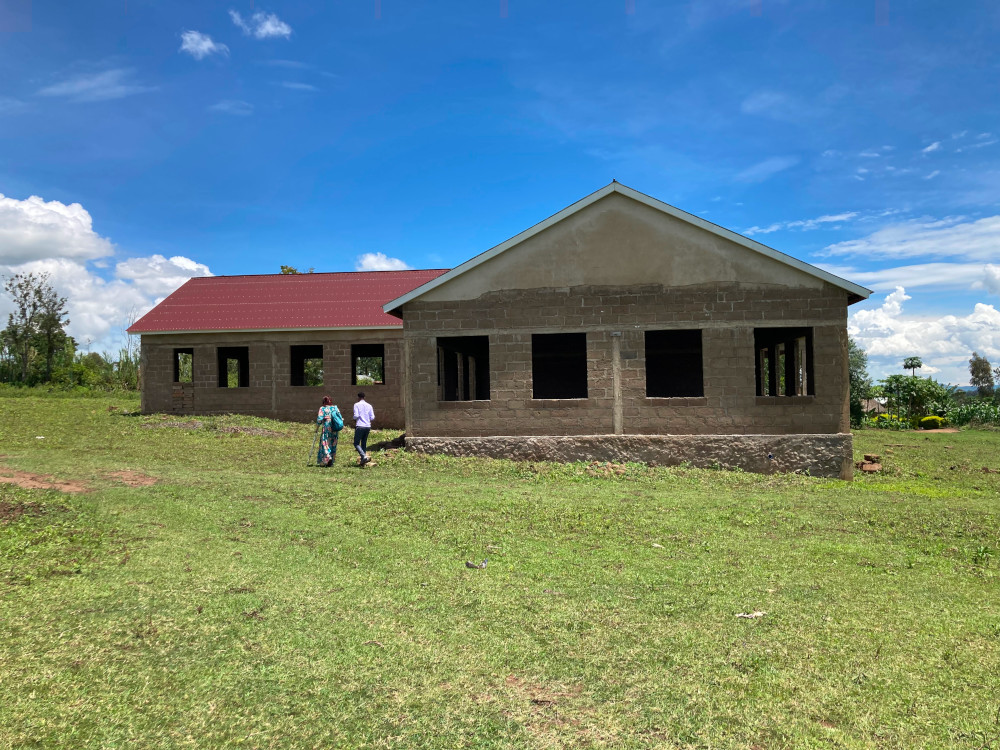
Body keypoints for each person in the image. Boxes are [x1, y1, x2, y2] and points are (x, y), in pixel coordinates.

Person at [315, 396, 343, 468]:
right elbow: (340, 417)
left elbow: (319, 419)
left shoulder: (322, 408)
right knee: (333, 442)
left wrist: (317, 428)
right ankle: (332, 460)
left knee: (325, 442)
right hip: (335, 427)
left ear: (324, 402)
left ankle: (328, 457)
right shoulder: (335, 408)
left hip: (327, 426)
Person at [353, 391, 375, 465]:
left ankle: (363, 456)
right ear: (364, 397)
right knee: (364, 442)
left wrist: (353, 418)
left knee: (356, 443)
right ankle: (363, 460)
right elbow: (372, 417)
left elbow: (356, 415)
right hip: (367, 426)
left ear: (358, 398)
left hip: (360, 425)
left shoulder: (356, 405)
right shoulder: (369, 405)